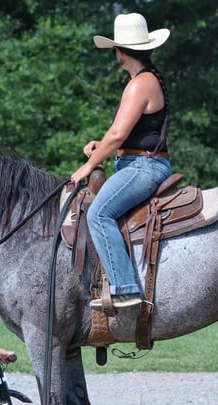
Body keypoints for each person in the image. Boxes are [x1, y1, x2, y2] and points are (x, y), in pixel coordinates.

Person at [71, 13, 172, 311]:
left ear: (119, 52)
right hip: (138, 163)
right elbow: (123, 136)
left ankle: (125, 288)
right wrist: (101, 146)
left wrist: (88, 166)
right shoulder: (146, 80)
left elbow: (117, 134)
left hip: (143, 167)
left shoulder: (140, 84)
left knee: (98, 215)